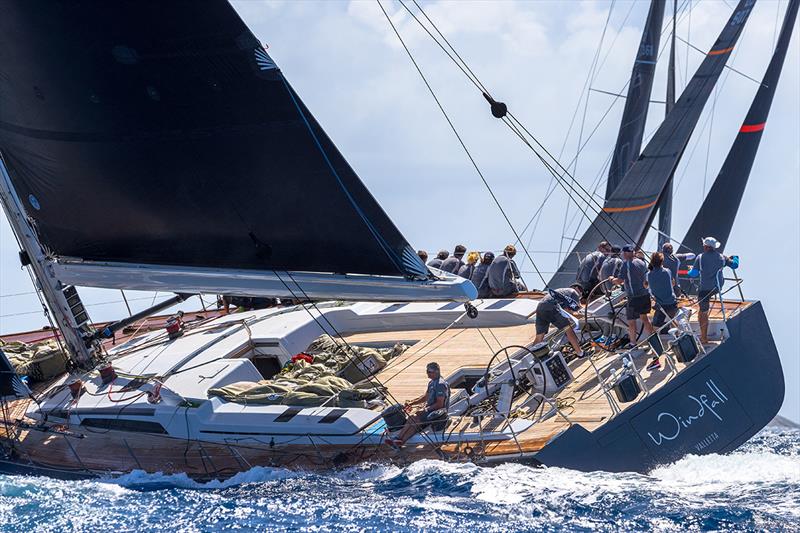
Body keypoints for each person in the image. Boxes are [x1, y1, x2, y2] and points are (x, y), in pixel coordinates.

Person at [386, 362, 450, 446]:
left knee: (414, 418)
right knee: (414, 419)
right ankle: (399, 440)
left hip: (437, 413)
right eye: (427, 371)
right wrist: (411, 403)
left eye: (429, 372)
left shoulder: (440, 384)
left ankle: (399, 438)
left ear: (436, 372)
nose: (427, 374)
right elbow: (425, 397)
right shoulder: (431, 383)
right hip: (430, 410)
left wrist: (425, 410)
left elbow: (440, 404)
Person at [692, 236, 734, 344]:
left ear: (705, 247)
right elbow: (735, 265)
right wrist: (735, 257)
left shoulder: (700, 257)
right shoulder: (722, 257)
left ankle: (704, 338)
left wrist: (689, 271)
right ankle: (703, 330)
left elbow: (694, 274)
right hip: (717, 288)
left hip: (705, 290)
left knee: (703, 312)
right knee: (702, 309)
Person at [611, 245, 654, 347]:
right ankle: (653, 340)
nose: (623, 255)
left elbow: (619, 281)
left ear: (625, 253)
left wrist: (611, 279)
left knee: (631, 321)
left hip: (634, 298)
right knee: (645, 318)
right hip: (644, 295)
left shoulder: (626, 264)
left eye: (623, 253)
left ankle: (632, 343)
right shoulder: (642, 262)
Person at [645, 252, 679, 371]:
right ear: (662, 262)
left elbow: (645, 285)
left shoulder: (649, 275)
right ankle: (682, 346)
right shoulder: (667, 271)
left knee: (654, 333)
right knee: (675, 324)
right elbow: (673, 283)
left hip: (660, 307)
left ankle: (656, 359)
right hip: (672, 303)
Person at [533, 283, 585, 357]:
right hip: (551, 306)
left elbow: (566, 311)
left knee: (539, 336)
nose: (580, 295)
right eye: (581, 292)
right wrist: (586, 315)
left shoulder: (562, 292)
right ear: (576, 288)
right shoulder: (573, 292)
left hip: (540, 306)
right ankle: (580, 353)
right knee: (568, 328)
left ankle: (533, 357)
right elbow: (571, 311)